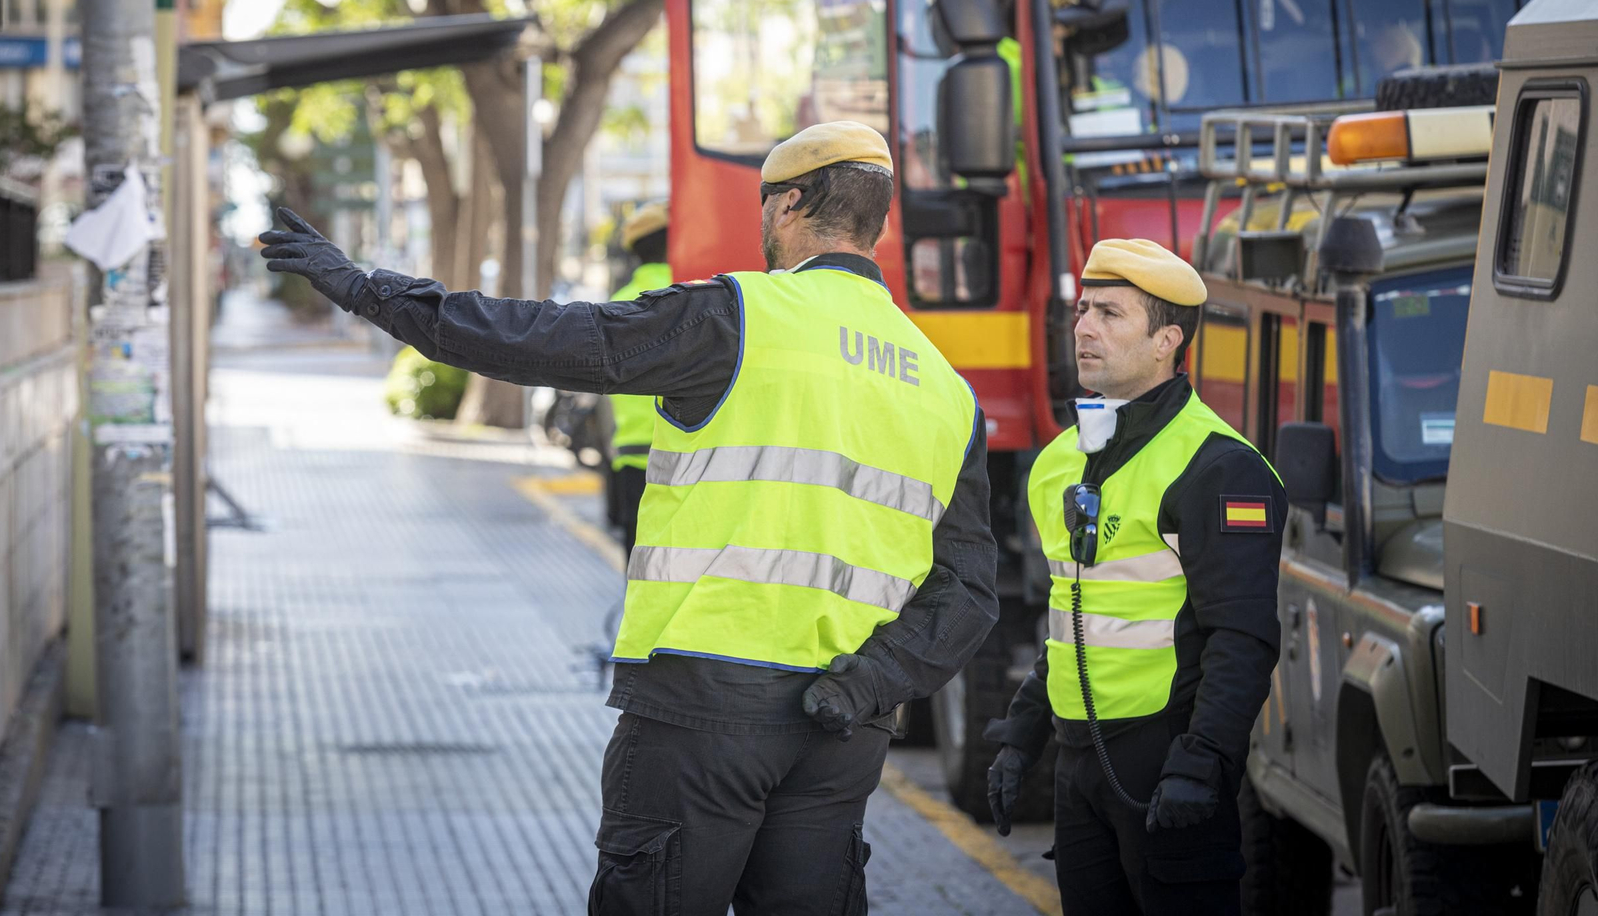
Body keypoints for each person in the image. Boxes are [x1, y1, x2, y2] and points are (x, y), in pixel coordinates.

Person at [258, 120, 1000, 915]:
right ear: (875, 221)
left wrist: (370, 289)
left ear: (788, 205)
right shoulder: (946, 389)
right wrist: (865, 688)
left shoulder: (736, 317)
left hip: (703, 709)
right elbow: (968, 593)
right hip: (845, 730)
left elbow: (540, 340)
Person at [985, 239, 1285, 916]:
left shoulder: (1217, 467)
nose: (1084, 327)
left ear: (1166, 341)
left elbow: (1241, 639)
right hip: (1079, 768)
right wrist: (1022, 734)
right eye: (1084, 308)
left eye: (1111, 314)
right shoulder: (1058, 461)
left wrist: (1202, 760)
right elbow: (1075, 615)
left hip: (1169, 768)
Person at [605, 201, 671, 555]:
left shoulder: (618, 304)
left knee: (637, 570)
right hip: (686, 461)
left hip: (631, 460)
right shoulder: (696, 293)